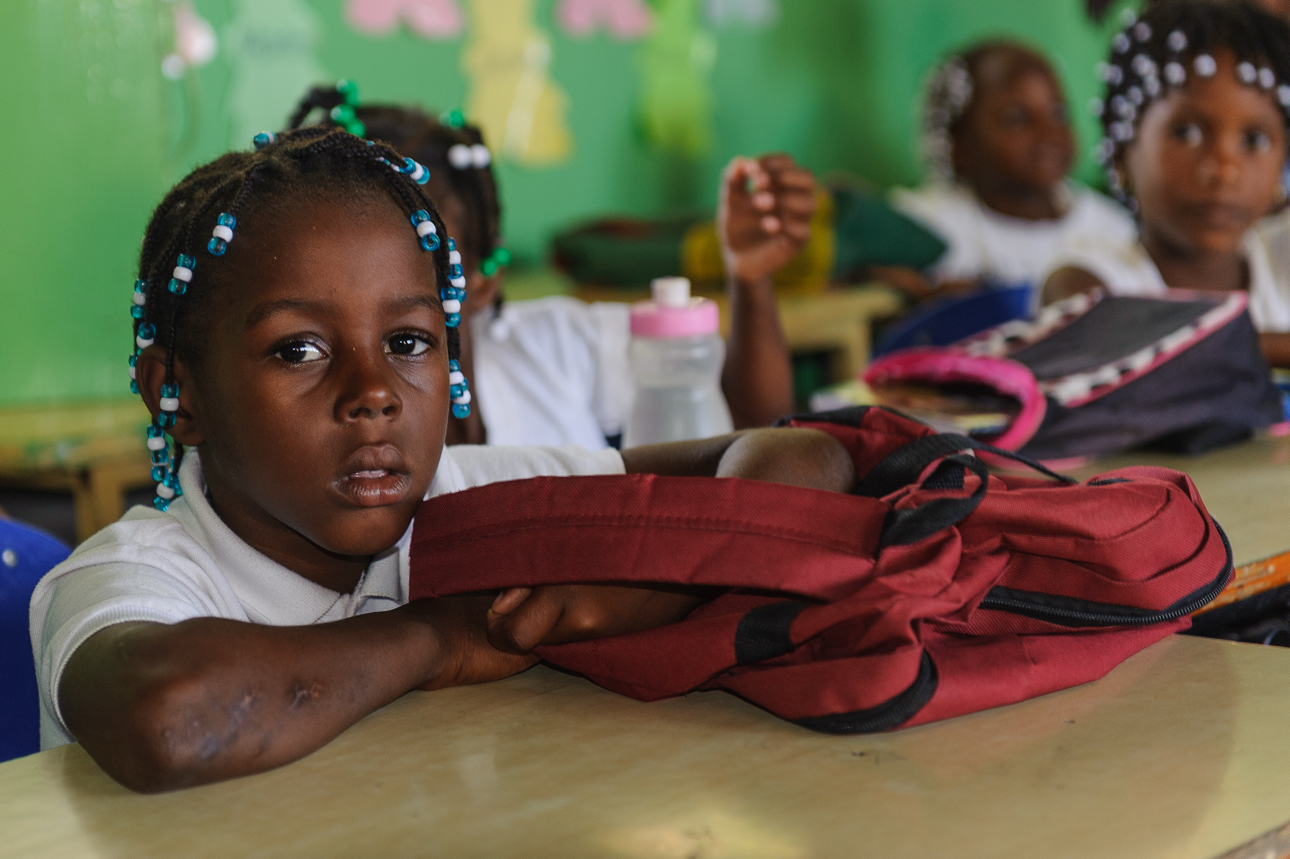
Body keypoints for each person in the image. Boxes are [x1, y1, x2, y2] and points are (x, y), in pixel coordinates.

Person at [28, 127, 856, 793]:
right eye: (300, 349)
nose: (373, 392)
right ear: (181, 395)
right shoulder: (130, 578)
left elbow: (802, 458)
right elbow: (175, 719)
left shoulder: (474, 498)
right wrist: (440, 637)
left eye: (409, 342)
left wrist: (654, 578)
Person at [287, 87, 806, 447]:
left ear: (486, 279)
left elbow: (746, 424)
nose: (377, 293)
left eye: (421, 253)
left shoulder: (555, 346)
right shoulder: (323, 424)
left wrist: (750, 276)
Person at [1042, 0, 1290, 367]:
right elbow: (1124, 353)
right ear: (1122, 151)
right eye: (1187, 133)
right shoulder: (1088, 280)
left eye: (1254, 140)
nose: (1223, 170)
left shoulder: (1280, 262)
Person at [889, 40, 1136, 297]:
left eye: (1059, 113)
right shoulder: (926, 224)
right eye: (1016, 118)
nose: (1048, 133)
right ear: (958, 145)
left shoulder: (1112, 230)